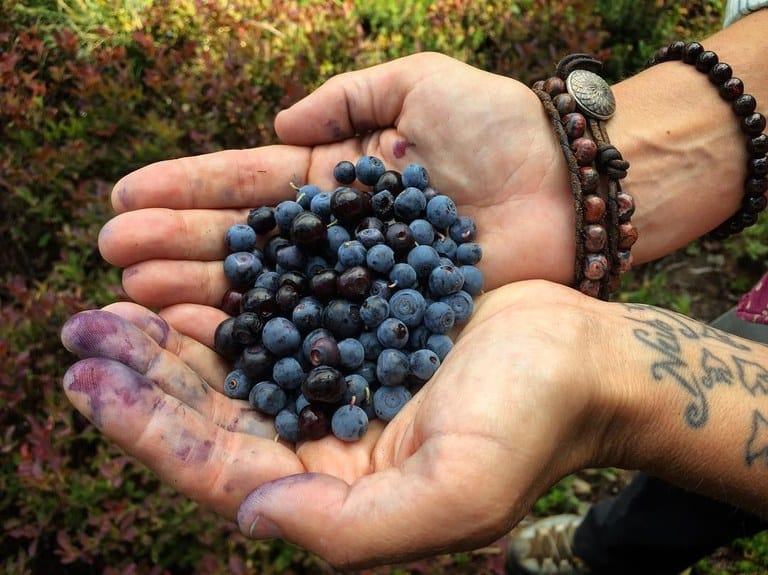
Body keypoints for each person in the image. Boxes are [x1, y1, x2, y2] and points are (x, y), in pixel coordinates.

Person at [60, 3, 768, 572]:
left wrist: (617, 380)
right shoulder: (344, 270)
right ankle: (604, 548)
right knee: (670, 505)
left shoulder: (369, 306)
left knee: (694, 473)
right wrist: (592, 159)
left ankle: (606, 548)